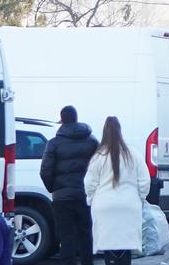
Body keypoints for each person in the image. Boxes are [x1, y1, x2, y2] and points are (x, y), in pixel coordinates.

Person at [84, 116, 150, 265]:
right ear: (120, 131)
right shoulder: (134, 154)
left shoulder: (98, 157)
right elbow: (145, 181)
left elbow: (89, 183)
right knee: (125, 247)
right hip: (129, 206)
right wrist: (140, 198)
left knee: (109, 246)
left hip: (104, 206)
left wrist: (92, 200)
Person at [40, 105, 99, 265]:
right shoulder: (92, 141)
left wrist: (54, 188)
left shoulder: (54, 143)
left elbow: (45, 170)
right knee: (86, 234)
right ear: (76, 118)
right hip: (86, 195)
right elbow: (99, 166)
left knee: (66, 237)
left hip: (62, 198)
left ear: (62, 120)